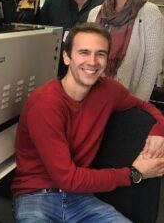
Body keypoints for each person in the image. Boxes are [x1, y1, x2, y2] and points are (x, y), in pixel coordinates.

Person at [11, 22, 164, 222]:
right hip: (37, 195)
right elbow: (67, 178)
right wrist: (133, 174)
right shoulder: (45, 103)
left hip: (80, 196)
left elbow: (146, 107)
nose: (92, 61)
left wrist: (159, 130)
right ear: (67, 57)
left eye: (100, 54)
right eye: (84, 52)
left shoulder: (109, 90)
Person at [88, 0, 164, 100]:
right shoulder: (95, 13)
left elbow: (151, 68)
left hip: (128, 104)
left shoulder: (150, 13)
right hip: (93, 98)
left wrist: (136, 107)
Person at [40, 0, 106, 78]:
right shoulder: (52, 3)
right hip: (52, 74)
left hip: (88, 75)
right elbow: (40, 40)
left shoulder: (104, 6)